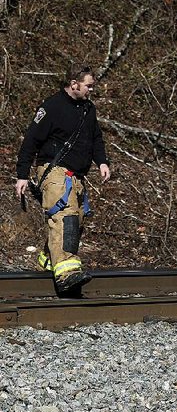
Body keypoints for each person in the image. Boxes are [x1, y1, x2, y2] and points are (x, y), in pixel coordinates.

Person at [15, 65, 111, 294]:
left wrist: (103, 162)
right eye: (88, 85)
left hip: (76, 177)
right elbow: (31, 141)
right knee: (65, 217)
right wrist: (22, 175)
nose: (91, 90)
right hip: (55, 171)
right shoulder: (52, 107)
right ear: (74, 83)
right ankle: (67, 274)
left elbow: (96, 138)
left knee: (75, 222)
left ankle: (48, 259)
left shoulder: (88, 109)